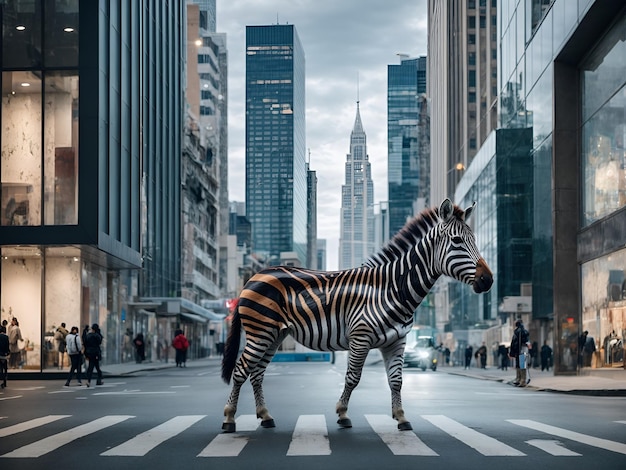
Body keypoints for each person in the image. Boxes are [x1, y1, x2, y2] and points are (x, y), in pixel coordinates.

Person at [509, 319, 531, 387]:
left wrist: (512, 352)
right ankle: (520, 379)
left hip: (521, 350)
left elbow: (514, 343)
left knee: (521, 364)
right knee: (520, 364)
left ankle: (522, 380)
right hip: (521, 350)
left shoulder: (519, 332)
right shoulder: (522, 331)